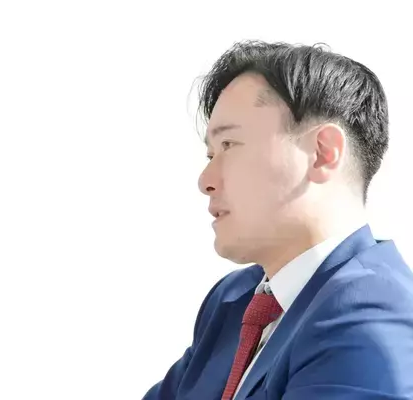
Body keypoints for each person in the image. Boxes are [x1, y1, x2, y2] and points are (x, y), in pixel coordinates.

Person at [142, 40, 413, 399]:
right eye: (210, 155)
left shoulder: (370, 315)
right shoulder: (233, 300)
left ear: (322, 153)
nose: (205, 180)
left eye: (229, 145)